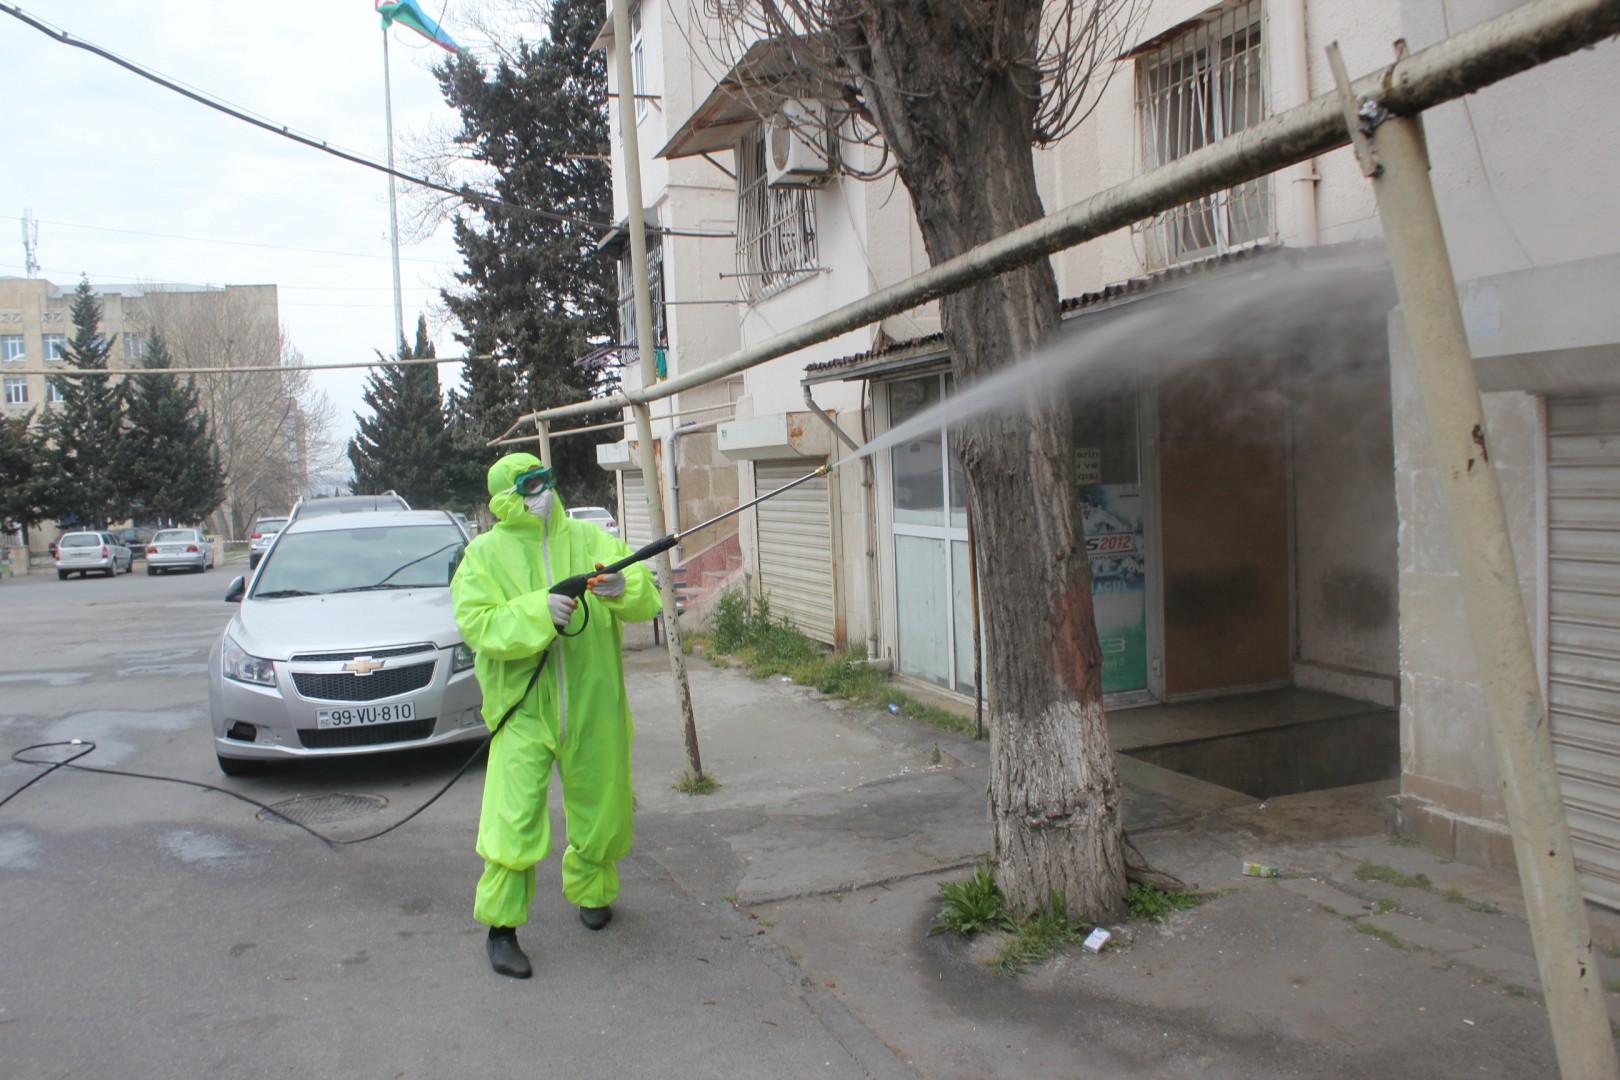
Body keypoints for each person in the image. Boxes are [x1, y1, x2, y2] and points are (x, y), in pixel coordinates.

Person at [450, 452, 661, 979]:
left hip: (594, 701)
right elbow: (478, 625)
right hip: (522, 710)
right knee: (513, 816)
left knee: (603, 803)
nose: (538, 493)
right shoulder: (483, 555)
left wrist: (623, 588)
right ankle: (500, 929)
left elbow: (648, 597)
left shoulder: (591, 542)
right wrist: (536, 611)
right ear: (503, 498)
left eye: (543, 481)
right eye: (526, 486)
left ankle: (593, 891)